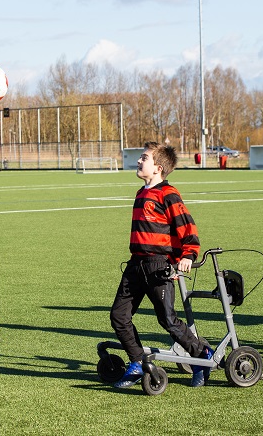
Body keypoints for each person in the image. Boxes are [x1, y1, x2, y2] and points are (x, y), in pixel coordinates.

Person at [110, 141, 212, 388]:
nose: (138, 160)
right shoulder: (141, 192)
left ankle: (201, 357)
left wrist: (187, 256)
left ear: (157, 167)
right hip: (136, 265)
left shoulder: (169, 194)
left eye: (144, 158)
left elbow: (187, 228)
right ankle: (137, 363)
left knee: (167, 319)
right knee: (118, 316)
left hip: (159, 266)